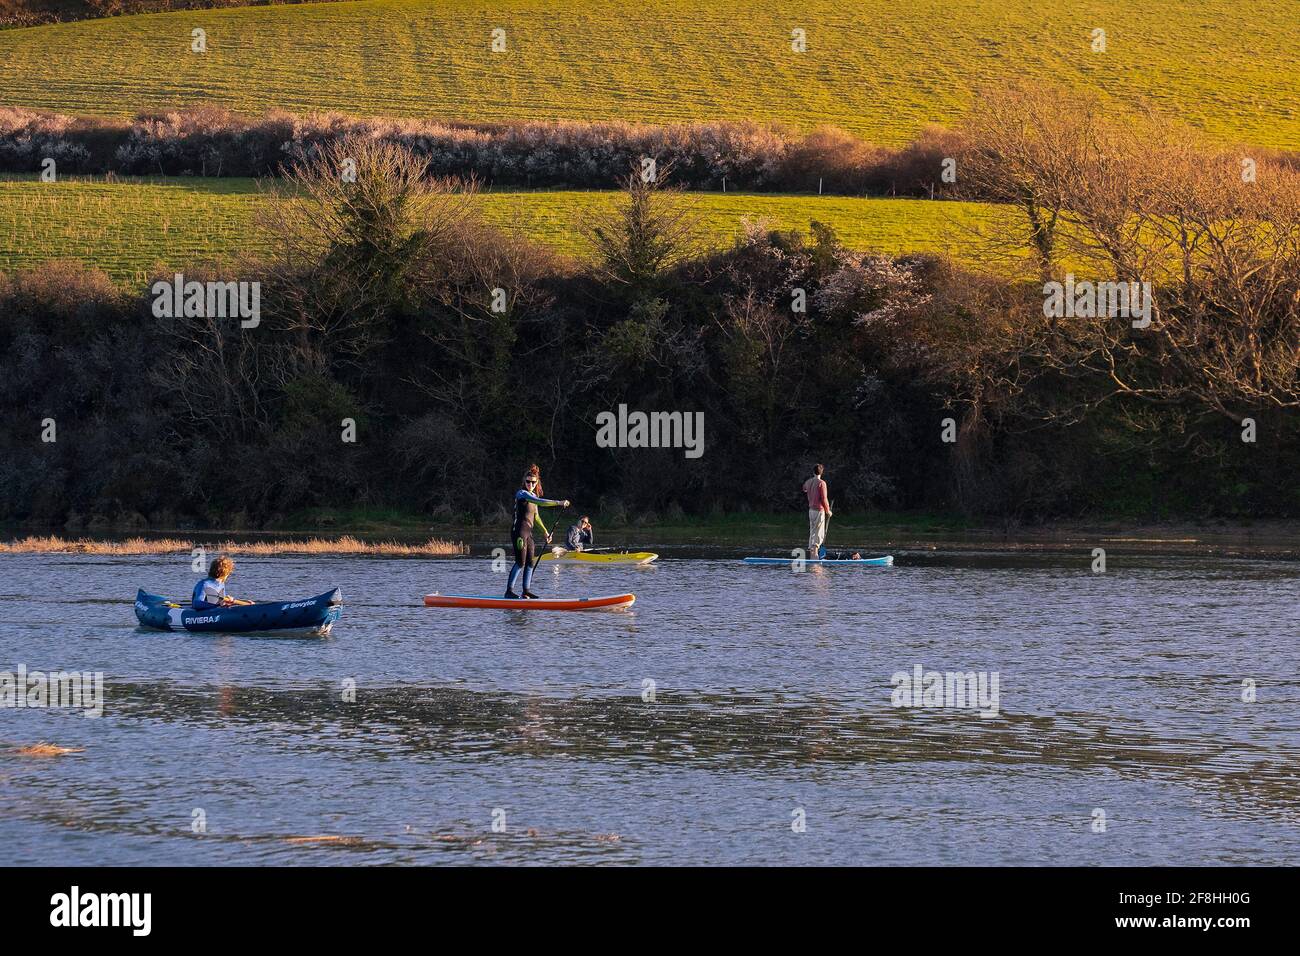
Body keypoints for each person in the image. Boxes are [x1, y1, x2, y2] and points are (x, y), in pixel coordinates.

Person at [506, 467, 570, 599]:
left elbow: (536, 518)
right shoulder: (522, 494)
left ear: (536, 483)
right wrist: (559, 503)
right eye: (528, 482)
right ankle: (509, 592)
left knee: (530, 562)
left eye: (533, 482)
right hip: (518, 532)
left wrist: (546, 532)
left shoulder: (533, 495)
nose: (530, 484)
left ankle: (526, 591)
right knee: (520, 562)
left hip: (529, 534)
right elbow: (539, 502)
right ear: (524, 481)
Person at [802, 464, 832, 559]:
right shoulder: (821, 483)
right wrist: (828, 511)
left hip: (811, 511)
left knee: (812, 532)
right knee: (818, 533)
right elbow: (824, 499)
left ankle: (812, 556)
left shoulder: (808, 482)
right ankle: (815, 556)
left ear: (813, 472)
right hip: (819, 511)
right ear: (822, 472)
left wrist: (809, 490)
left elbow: (804, 489)